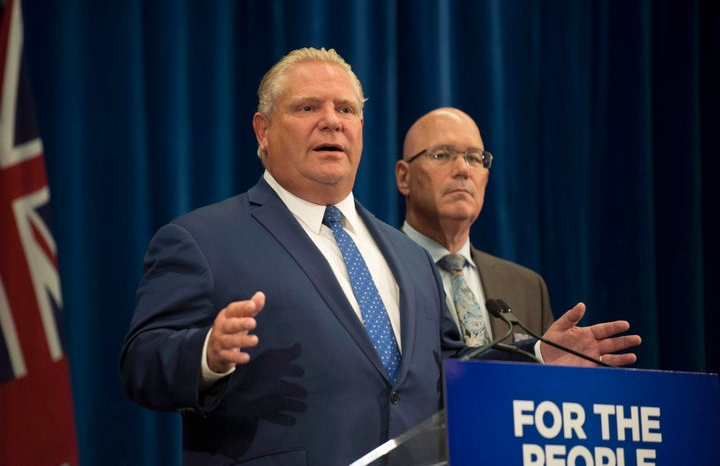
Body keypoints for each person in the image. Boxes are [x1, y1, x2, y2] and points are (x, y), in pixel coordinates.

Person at [119, 47, 641, 466]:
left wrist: (536, 357)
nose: (332, 122)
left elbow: (447, 366)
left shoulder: (406, 255)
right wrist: (207, 353)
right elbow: (143, 362)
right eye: (308, 108)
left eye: (346, 109)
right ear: (262, 131)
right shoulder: (201, 239)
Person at [396, 107, 554, 347]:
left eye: (474, 158)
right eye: (441, 155)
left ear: (486, 178)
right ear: (404, 177)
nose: (463, 169)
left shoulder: (528, 288)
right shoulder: (377, 269)